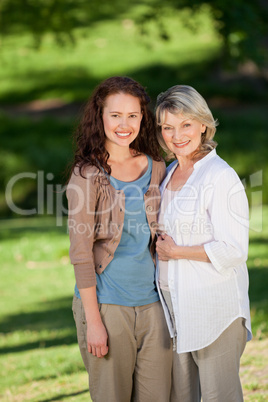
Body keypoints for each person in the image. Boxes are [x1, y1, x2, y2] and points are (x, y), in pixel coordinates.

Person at [66, 76, 172, 402]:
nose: (124, 124)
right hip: (108, 305)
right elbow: (81, 255)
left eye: (132, 115)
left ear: (143, 118)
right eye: (115, 115)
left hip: (155, 306)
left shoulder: (156, 168)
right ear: (100, 117)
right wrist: (94, 322)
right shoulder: (87, 175)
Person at [155, 85, 252, 402]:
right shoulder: (170, 173)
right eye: (168, 127)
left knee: (217, 396)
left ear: (203, 125)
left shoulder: (220, 176)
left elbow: (234, 250)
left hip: (214, 309)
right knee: (185, 396)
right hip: (177, 309)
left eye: (185, 125)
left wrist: (176, 252)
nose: (177, 135)